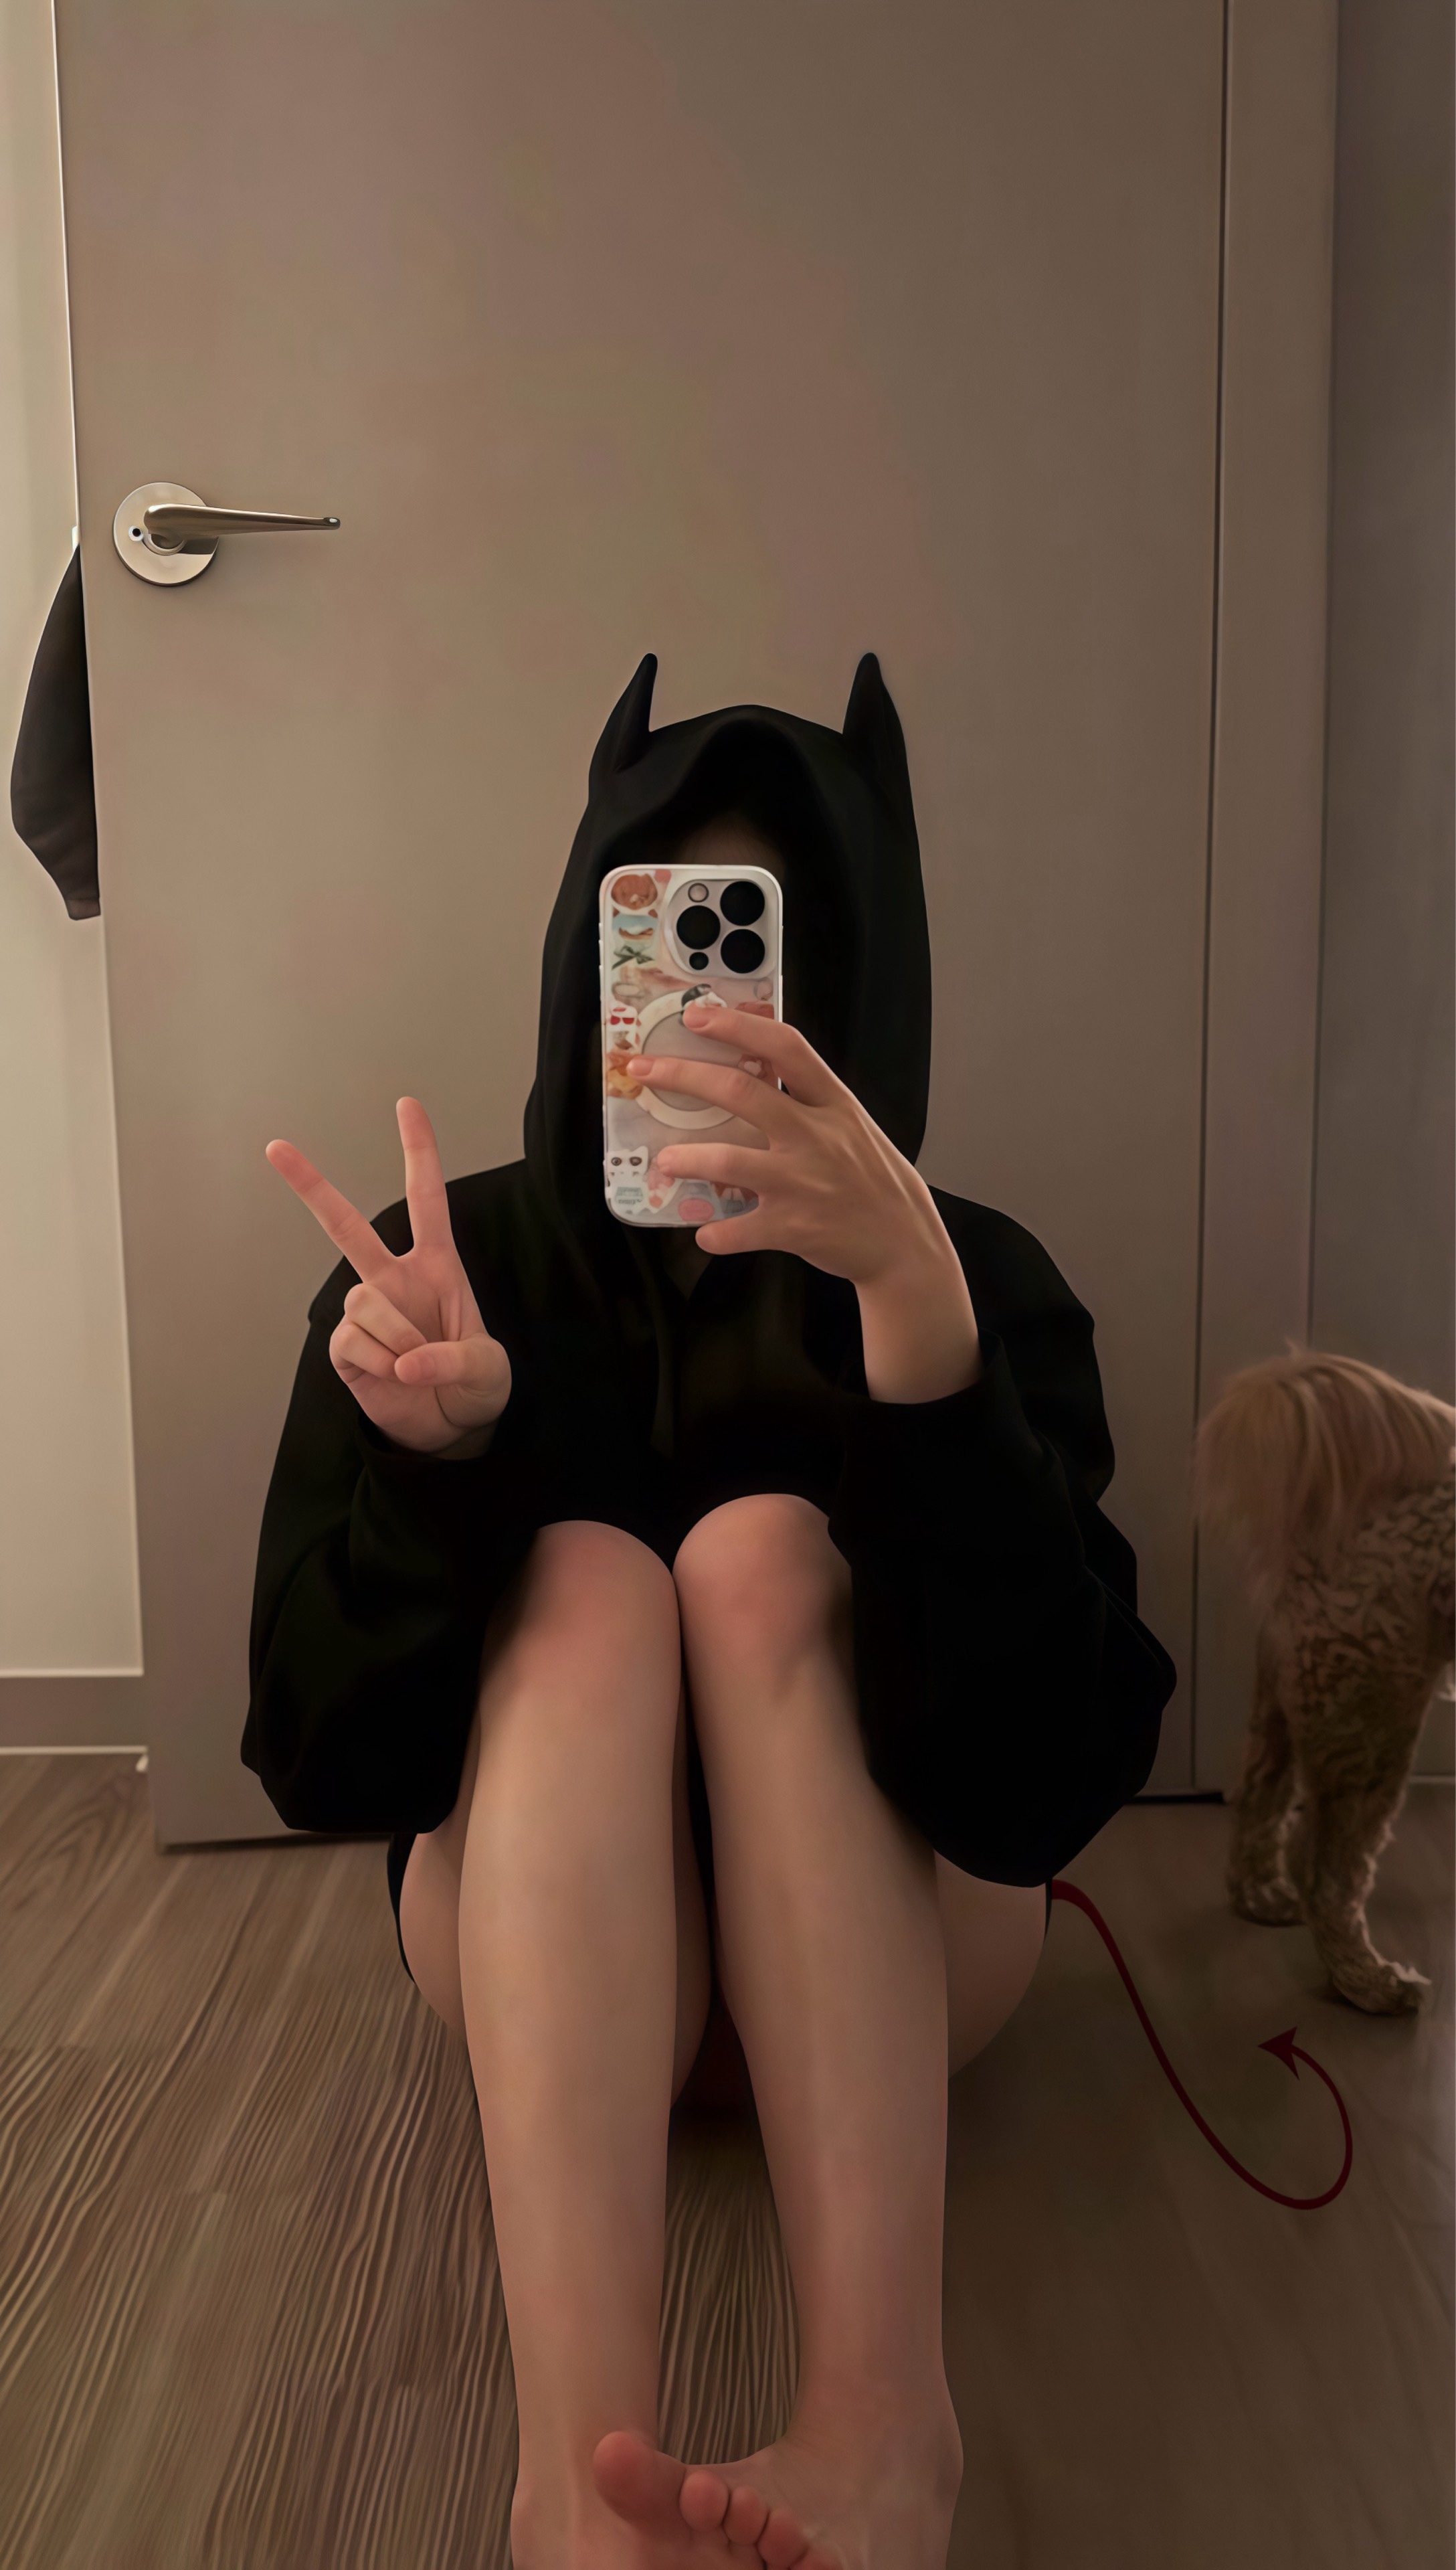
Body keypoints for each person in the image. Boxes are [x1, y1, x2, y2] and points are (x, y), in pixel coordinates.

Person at [243, 654, 1176, 2570]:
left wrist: (928, 1353)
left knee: (759, 1557)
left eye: (767, 959)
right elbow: (327, 1766)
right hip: (557, 1974)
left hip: (906, 1963)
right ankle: (576, 2489)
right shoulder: (450, 1274)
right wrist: (435, 1469)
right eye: (663, 949)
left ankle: (887, 2434)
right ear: (584, 969)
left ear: (867, 990)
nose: (707, 1017)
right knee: (591, 1582)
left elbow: (1044, 1793)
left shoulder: (970, 1279)